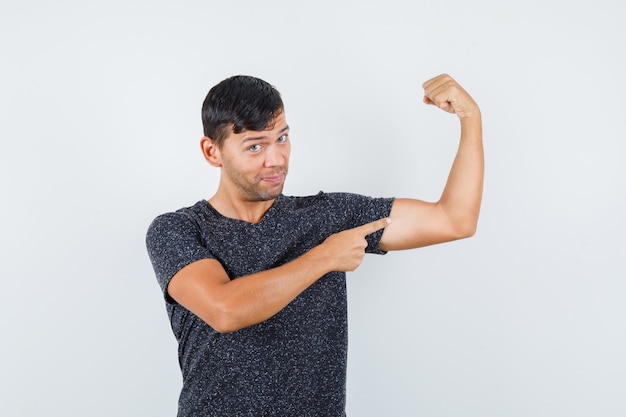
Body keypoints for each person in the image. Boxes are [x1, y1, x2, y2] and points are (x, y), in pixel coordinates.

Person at [146, 73, 483, 416]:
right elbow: (225, 310)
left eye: (282, 138)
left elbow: (454, 219)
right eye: (255, 146)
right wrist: (324, 257)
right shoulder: (178, 229)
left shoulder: (327, 216)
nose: (276, 159)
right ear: (212, 151)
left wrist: (471, 119)